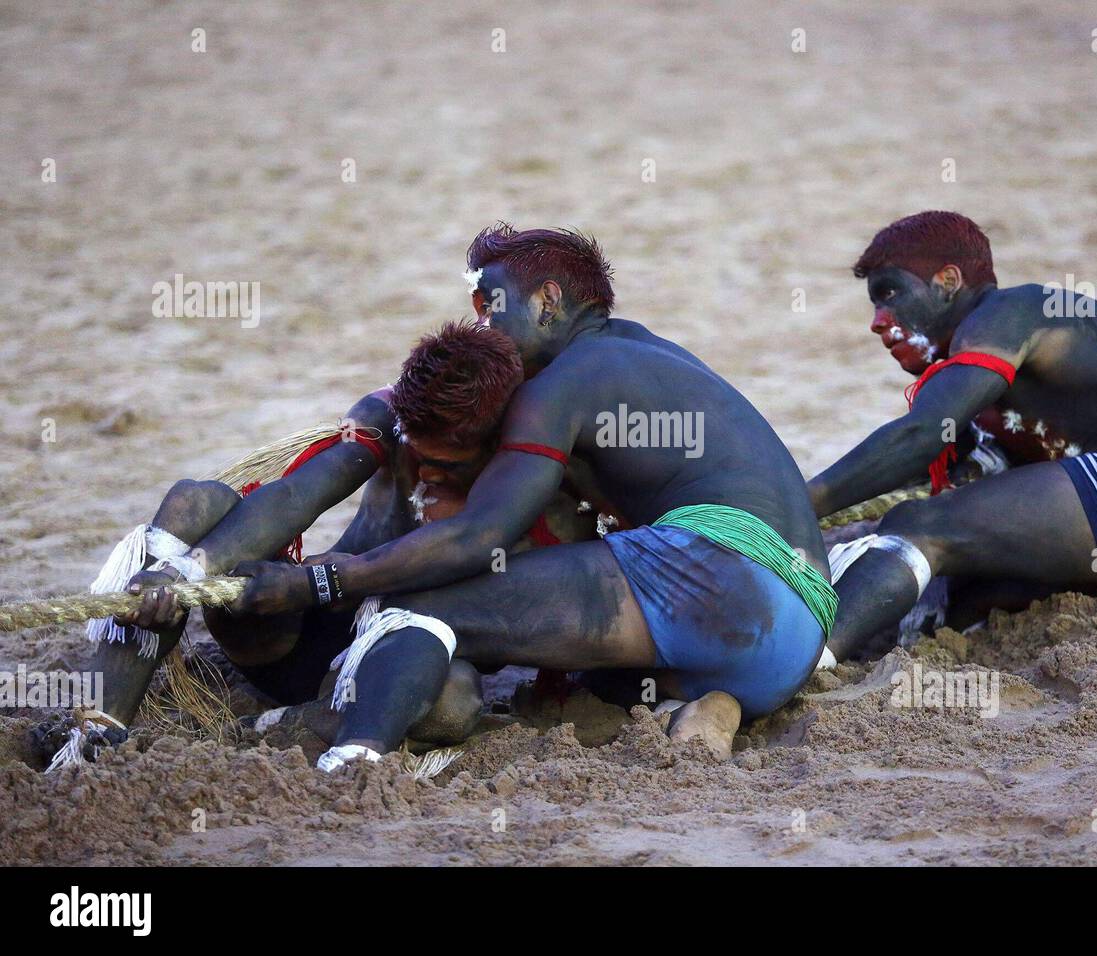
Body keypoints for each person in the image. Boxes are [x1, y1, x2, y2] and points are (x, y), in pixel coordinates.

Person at [230, 224, 835, 767]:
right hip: (798, 638)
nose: (479, 324)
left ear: (547, 301)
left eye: (488, 304)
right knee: (583, 674)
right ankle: (710, 706)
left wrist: (327, 581)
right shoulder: (641, 350)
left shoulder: (559, 385)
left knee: (420, 611)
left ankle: (352, 760)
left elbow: (479, 537)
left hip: (717, 582)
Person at [37, 320, 598, 766]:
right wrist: (184, 573)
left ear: (501, 444)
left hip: (394, 674)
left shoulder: (549, 491)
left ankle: (285, 724)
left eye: (447, 464)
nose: (426, 473)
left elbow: (534, 622)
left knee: (456, 700)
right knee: (195, 504)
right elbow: (297, 494)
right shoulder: (384, 416)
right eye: (417, 455)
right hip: (292, 626)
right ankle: (94, 735)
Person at [807, 211, 1097, 664]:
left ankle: (805, 661)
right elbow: (919, 459)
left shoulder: (1007, 313)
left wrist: (801, 503)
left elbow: (918, 437)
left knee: (920, 526)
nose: (878, 321)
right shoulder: (979, 380)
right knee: (959, 592)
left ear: (947, 281)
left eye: (891, 293)